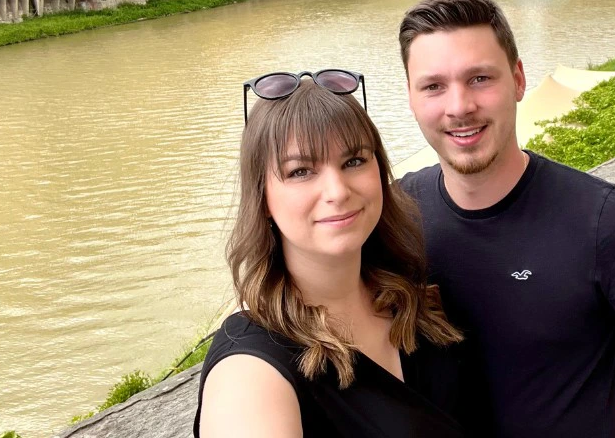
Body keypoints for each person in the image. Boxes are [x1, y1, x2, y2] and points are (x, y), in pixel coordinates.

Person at [397, 0, 615, 437]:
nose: (459, 107)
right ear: (410, 98)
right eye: (433, 86)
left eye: (480, 79)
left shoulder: (604, 221)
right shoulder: (396, 217)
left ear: (518, 79)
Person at [194, 70, 464, 438]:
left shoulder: (408, 297)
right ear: (263, 198)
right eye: (300, 171)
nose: (337, 191)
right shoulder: (250, 373)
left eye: (353, 161)